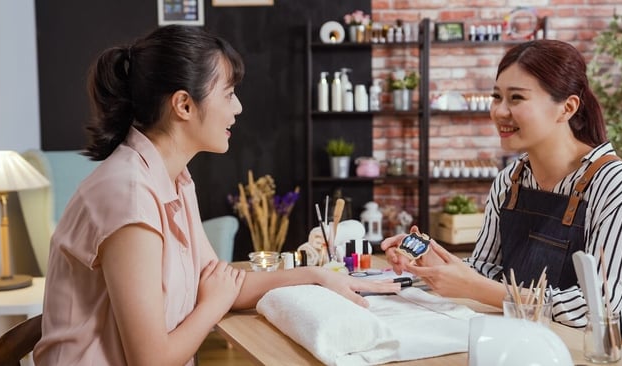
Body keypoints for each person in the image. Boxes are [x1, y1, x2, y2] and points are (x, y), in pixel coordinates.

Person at [33, 25, 400, 366]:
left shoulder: (172, 178)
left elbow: (226, 282)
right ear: (184, 105)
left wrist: (319, 276)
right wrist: (213, 303)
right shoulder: (129, 195)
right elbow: (153, 360)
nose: (237, 107)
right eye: (228, 94)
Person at [382, 39, 622, 350]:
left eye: (517, 98)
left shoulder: (615, 183)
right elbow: (484, 269)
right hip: (527, 343)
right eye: (497, 97)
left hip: (599, 353)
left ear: (568, 107)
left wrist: (481, 289)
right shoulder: (509, 181)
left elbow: (600, 307)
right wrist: (431, 262)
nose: (500, 111)